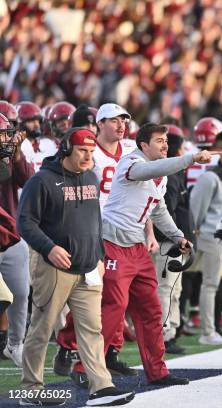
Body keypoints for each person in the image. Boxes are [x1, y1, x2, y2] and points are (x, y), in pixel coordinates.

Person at [17, 127, 135, 406]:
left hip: (88, 266)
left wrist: (99, 255)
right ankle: (30, 390)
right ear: (66, 148)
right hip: (53, 267)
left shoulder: (92, 177)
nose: (88, 156)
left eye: (92, 151)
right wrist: (49, 248)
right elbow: (25, 223)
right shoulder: (41, 181)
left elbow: (95, 222)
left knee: (93, 329)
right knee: (41, 329)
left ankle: (101, 387)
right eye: (83, 150)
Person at [97, 122, 215, 386]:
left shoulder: (159, 175)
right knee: (112, 309)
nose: (165, 144)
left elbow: (158, 210)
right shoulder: (132, 162)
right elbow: (149, 170)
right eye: (159, 140)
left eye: (165, 140)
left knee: (152, 311)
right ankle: (86, 367)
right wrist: (189, 159)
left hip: (137, 247)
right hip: (113, 242)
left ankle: (157, 371)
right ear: (143, 145)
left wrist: (177, 236)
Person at [56, 103, 143, 386]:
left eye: (124, 121)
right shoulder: (88, 152)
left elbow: (144, 193)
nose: (121, 126)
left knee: (119, 296)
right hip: (94, 232)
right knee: (91, 293)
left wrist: (148, 231)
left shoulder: (131, 152)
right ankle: (69, 345)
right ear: (100, 123)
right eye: (115, 121)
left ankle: (111, 351)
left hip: (124, 231)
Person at [190, 130, 222, 345]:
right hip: (212, 234)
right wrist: (196, 229)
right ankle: (207, 331)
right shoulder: (210, 176)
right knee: (210, 283)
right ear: (218, 149)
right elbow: (196, 208)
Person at [152, 124, 194, 354]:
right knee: (166, 288)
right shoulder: (168, 175)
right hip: (167, 242)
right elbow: (169, 211)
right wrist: (178, 237)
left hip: (174, 240)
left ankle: (171, 330)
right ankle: (164, 334)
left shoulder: (174, 175)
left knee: (172, 289)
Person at [0, 112, 32, 367]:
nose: (5, 139)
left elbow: (28, 180)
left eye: (5, 134)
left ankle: (15, 344)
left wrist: (18, 153)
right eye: (0, 134)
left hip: (11, 237)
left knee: (20, 294)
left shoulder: (11, 156)